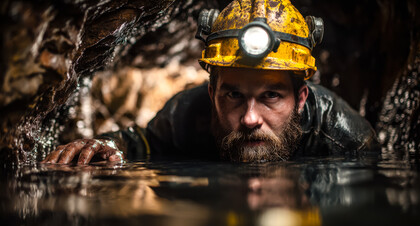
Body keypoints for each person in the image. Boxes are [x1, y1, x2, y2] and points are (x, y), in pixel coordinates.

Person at [42, 0, 380, 165]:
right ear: (211, 93)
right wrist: (108, 146)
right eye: (233, 94)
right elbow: (139, 142)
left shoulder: (347, 141)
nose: (250, 119)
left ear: (302, 98)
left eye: (271, 96)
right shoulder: (185, 116)